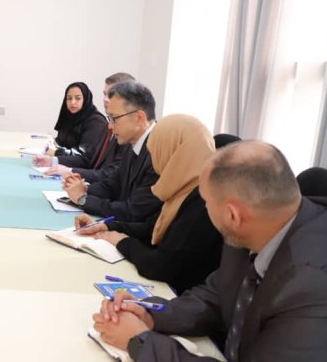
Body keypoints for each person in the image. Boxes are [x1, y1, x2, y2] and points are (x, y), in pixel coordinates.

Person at [92, 141, 327, 361]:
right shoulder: (255, 228)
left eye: (206, 201)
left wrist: (141, 342)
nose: (204, 209)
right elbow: (218, 295)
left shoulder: (313, 285)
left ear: (232, 215)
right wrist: (152, 314)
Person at [75, 114, 223, 294]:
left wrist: (122, 242)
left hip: (178, 295)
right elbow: (151, 228)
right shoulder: (182, 186)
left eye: (156, 152)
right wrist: (108, 226)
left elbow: (161, 265)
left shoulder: (203, 199)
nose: (154, 161)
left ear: (175, 152)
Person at [62, 82, 162, 223]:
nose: (109, 126)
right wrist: (83, 189)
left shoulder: (159, 153)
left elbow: (133, 211)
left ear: (139, 118)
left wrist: (84, 199)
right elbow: (114, 184)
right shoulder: (133, 141)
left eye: (114, 118)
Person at [35, 72, 135, 182]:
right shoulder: (108, 127)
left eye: (111, 95)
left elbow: (109, 175)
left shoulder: (100, 123)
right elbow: (89, 159)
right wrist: (52, 161)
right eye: (104, 94)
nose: (105, 99)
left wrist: (69, 171)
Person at [44, 82, 108, 165]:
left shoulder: (96, 122)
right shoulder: (69, 116)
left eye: (78, 98)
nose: (72, 102)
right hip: (66, 164)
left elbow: (85, 157)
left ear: (85, 99)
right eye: (69, 98)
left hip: (82, 169)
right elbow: (61, 141)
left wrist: (56, 153)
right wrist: (50, 143)